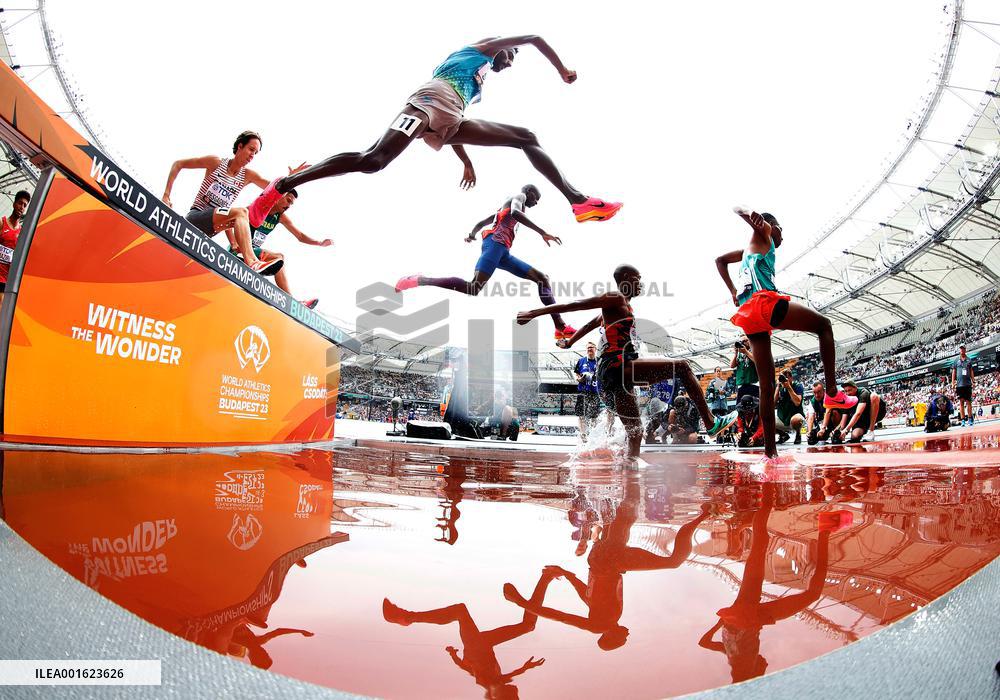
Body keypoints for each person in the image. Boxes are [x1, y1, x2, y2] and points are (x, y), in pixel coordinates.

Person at [248, 36, 623, 230]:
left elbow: (452, 130)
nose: (512, 62)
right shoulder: (481, 48)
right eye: (512, 57)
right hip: (427, 102)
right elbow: (535, 38)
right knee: (373, 161)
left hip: (452, 116)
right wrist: (562, 69)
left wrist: (465, 160)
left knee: (525, 136)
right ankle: (285, 183)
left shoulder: (478, 81)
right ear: (502, 49)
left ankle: (577, 201)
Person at [517, 264, 730, 458]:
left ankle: (629, 475)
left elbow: (589, 325)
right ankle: (710, 422)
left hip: (615, 374)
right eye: (638, 279)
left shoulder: (619, 306)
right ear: (627, 278)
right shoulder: (615, 297)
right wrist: (534, 313)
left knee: (635, 433)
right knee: (683, 367)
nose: (641, 284)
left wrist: (571, 342)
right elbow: (577, 304)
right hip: (617, 366)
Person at [715, 207, 856, 459]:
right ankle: (833, 392)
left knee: (767, 387)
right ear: (772, 227)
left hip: (750, 315)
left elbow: (719, 261)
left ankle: (770, 454)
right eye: (781, 231)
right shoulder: (767, 235)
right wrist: (746, 213)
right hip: (765, 303)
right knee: (824, 326)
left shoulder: (745, 252)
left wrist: (733, 292)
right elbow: (761, 226)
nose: (782, 238)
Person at [396, 185, 577, 339]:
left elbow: (482, 221)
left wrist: (471, 234)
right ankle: (421, 280)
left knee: (542, 278)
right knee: (473, 288)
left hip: (503, 252)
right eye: (536, 198)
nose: (536, 203)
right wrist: (541, 231)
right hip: (495, 246)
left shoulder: (501, 210)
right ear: (528, 192)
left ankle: (559, 326)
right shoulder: (519, 197)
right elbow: (515, 212)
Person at [162, 130, 286, 275]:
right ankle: (252, 261)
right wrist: (166, 195)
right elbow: (178, 164)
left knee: (239, 216)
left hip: (213, 228)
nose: (252, 155)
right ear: (240, 146)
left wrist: (292, 177)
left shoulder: (247, 175)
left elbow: (275, 188)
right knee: (241, 212)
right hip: (196, 217)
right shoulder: (215, 162)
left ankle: (240, 253)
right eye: (251, 149)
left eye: (256, 153)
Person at [235, 189, 332, 309]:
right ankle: (292, 301)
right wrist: (234, 243)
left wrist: (319, 243)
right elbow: (234, 217)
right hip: (241, 252)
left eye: (291, 204)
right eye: (288, 200)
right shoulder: (259, 207)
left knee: (278, 261)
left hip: (255, 256)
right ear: (278, 197)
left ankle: (287, 300)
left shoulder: (280, 217)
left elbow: (300, 236)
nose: (289, 206)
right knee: (279, 257)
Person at [0, 189, 30, 290]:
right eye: (20, 203)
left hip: (5, 280)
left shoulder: (21, 233)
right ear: (14, 204)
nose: (22, 207)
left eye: (25, 205)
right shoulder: (1, 223)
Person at [574, 342, 602, 440]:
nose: (589, 349)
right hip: (583, 391)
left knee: (594, 415)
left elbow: (603, 376)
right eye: (588, 348)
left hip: (595, 391)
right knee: (581, 413)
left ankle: (593, 434)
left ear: (595, 349)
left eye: (591, 347)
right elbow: (576, 374)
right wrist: (579, 379)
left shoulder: (600, 361)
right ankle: (583, 434)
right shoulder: (581, 361)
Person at [806, 380, 842, 445]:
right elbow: (811, 418)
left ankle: (836, 432)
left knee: (835, 412)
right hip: (823, 422)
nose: (817, 395)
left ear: (824, 391)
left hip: (832, 421)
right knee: (814, 437)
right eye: (814, 393)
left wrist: (823, 429)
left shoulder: (829, 397)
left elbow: (827, 413)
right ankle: (825, 434)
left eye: (819, 392)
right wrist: (809, 432)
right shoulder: (812, 401)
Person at [774, 370, 805, 445]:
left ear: (791, 378)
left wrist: (789, 388)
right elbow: (773, 404)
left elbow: (797, 403)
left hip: (794, 418)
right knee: (766, 419)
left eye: (786, 377)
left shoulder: (798, 386)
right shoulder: (780, 388)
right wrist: (778, 387)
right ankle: (783, 435)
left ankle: (798, 434)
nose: (784, 380)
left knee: (796, 419)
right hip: (782, 418)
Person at [952, 345, 974, 427]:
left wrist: (973, 380)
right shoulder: (956, 360)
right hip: (959, 385)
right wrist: (952, 382)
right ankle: (963, 420)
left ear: (965, 350)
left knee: (968, 402)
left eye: (963, 348)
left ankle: (970, 418)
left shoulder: (969, 360)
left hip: (967, 384)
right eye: (960, 349)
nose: (962, 350)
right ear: (959, 350)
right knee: (961, 402)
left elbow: (971, 370)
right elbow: (954, 371)